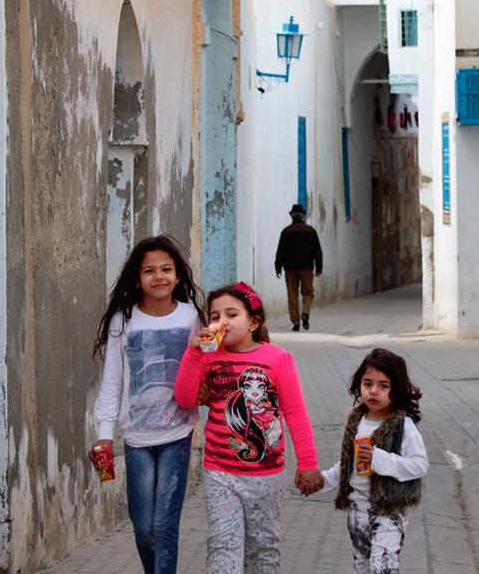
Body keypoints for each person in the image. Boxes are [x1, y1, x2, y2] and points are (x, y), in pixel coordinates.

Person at [174, 281, 323, 574]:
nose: (221, 322)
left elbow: (295, 412)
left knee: (263, 548)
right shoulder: (209, 357)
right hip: (220, 473)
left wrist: (308, 463)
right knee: (222, 544)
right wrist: (194, 352)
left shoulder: (277, 359)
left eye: (231, 315)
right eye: (215, 316)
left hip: (267, 475)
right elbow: (185, 398)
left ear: (254, 322)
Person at [90, 234, 207, 574]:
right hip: (137, 440)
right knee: (144, 529)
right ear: (137, 279)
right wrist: (103, 433)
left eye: (167, 269)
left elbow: (207, 369)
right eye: (150, 271)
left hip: (178, 434)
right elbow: (112, 382)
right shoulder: (123, 322)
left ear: (178, 276)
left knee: (164, 525)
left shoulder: (191, 318)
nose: (159, 277)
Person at [320, 348, 429, 574]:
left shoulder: (402, 425)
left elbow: (420, 465)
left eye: (383, 386)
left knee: (383, 568)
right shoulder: (356, 421)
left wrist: (380, 458)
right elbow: (347, 465)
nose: (373, 391)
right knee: (362, 566)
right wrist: (321, 481)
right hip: (356, 509)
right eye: (368, 383)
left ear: (396, 390)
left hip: (389, 511)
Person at [274, 203, 323, 331]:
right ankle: (305, 312)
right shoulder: (310, 231)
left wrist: (278, 267)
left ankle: (296, 322)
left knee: (292, 295)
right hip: (306, 268)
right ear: (302, 216)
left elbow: (281, 251)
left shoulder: (286, 232)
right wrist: (318, 268)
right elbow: (317, 251)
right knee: (308, 293)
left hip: (290, 269)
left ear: (292, 216)